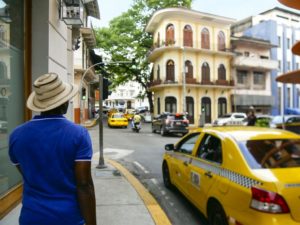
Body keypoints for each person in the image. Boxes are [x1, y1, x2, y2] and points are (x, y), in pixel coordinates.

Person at [9, 73, 96, 225]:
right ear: (63, 104)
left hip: (31, 217)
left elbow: (27, 173)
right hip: (68, 218)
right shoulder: (78, 134)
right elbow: (84, 185)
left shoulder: (16, 135)